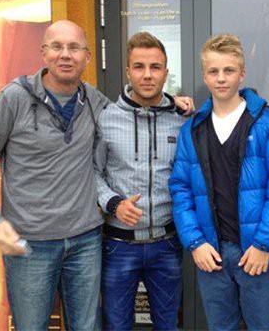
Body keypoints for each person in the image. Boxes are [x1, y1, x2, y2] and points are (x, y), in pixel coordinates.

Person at [0, 20, 109, 330]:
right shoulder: (13, 99)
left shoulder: (94, 101)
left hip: (85, 240)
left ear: (87, 56)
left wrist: (172, 104)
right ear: (43, 53)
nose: (65, 55)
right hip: (29, 244)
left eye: (74, 48)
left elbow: (130, 115)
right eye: (57, 46)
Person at [169, 34, 269, 330]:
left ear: (242, 74)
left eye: (229, 71)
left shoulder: (266, 122)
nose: (221, 79)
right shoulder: (193, 130)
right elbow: (181, 188)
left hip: (257, 254)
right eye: (214, 71)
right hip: (211, 253)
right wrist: (195, 242)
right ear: (204, 76)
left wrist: (264, 243)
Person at [94, 31, 193, 331]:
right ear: (127, 71)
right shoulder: (106, 118)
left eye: (155, 67)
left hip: (167, 244)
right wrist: (113, 204)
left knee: (168, 325)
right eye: (139, 66)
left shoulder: (181, 119)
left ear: (166, 72)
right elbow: (93, 172)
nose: (147, 75)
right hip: (118, 245)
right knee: (117, 326)